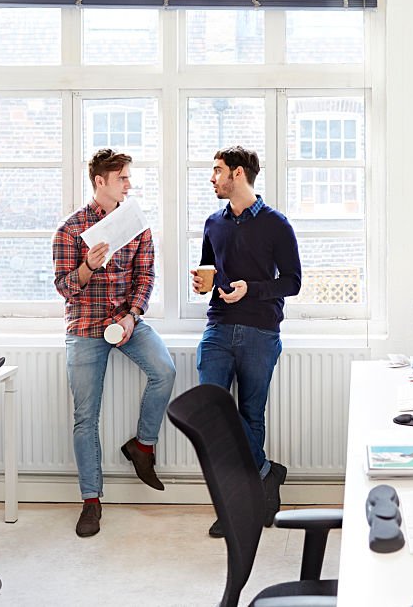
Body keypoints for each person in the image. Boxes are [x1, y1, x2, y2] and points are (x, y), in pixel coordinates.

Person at [53, 148, 176, 538]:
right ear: (100, 182)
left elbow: (146, 277)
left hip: (125, 321)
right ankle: (91, 500)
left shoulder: (136, 225)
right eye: (122, 178)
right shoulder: (70, 230)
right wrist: (88, 266)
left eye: (128, 177)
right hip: (86, 326)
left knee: (165, 371)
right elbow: (65, 290)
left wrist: (131, 315)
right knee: (86, 417)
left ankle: (143, 446)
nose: (129, 184)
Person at [191, 146, 301, 538]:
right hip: (218, 328)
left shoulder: (277, 225)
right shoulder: (212, 223)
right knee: (212, 410)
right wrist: (206, 283)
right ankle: (267, 473)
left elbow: (292, 282)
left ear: (237, 174)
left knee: (251, 416)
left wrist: (249, 289)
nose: (212, 177)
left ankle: (243, 505)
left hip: (260, 330)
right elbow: (210, 273)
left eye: (217, 170)